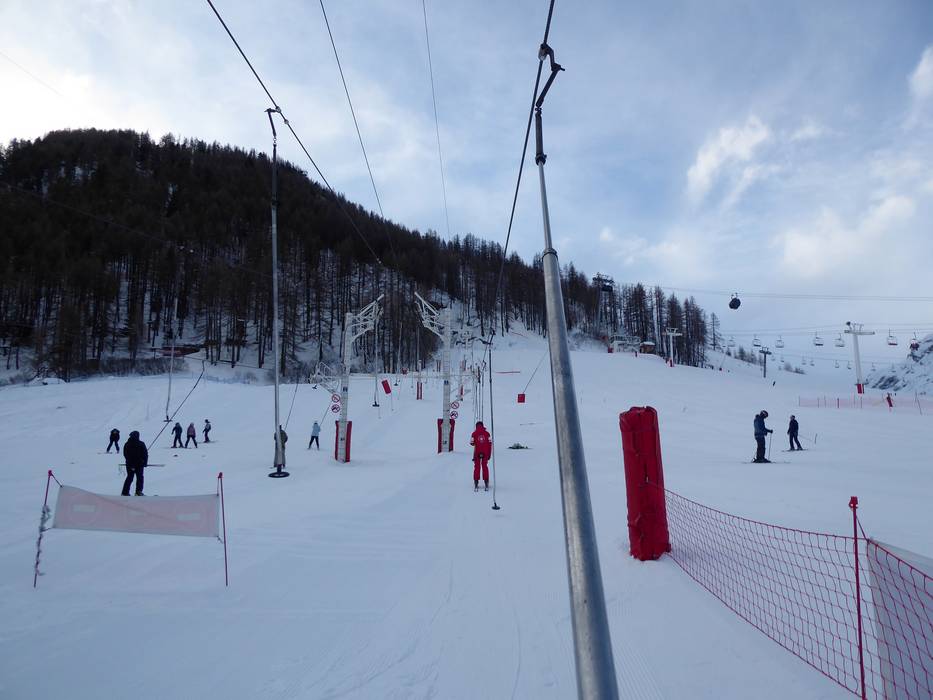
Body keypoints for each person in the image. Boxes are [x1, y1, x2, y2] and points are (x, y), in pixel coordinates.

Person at [121, 430, 148, 496]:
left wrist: (144, 462)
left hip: (132, 464)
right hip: (137, 465)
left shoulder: (127, 444)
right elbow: (145, 454)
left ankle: (125, 492)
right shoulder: (140, 443)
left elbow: (126, 454)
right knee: (138, 478)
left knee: (131, 477)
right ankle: (138, 492)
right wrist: (144, 462)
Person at [470, 420, 492, 490]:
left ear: (476, 426)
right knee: (485, 466)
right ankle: (486, 481)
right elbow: (490, 444)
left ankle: (476, 481)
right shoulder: (487, 434)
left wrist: (476, 442)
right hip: (485, 452)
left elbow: (472, 443)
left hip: (477, 452)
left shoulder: (474, 433)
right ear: (483, 426)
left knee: (477, 467)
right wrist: (489, 454)